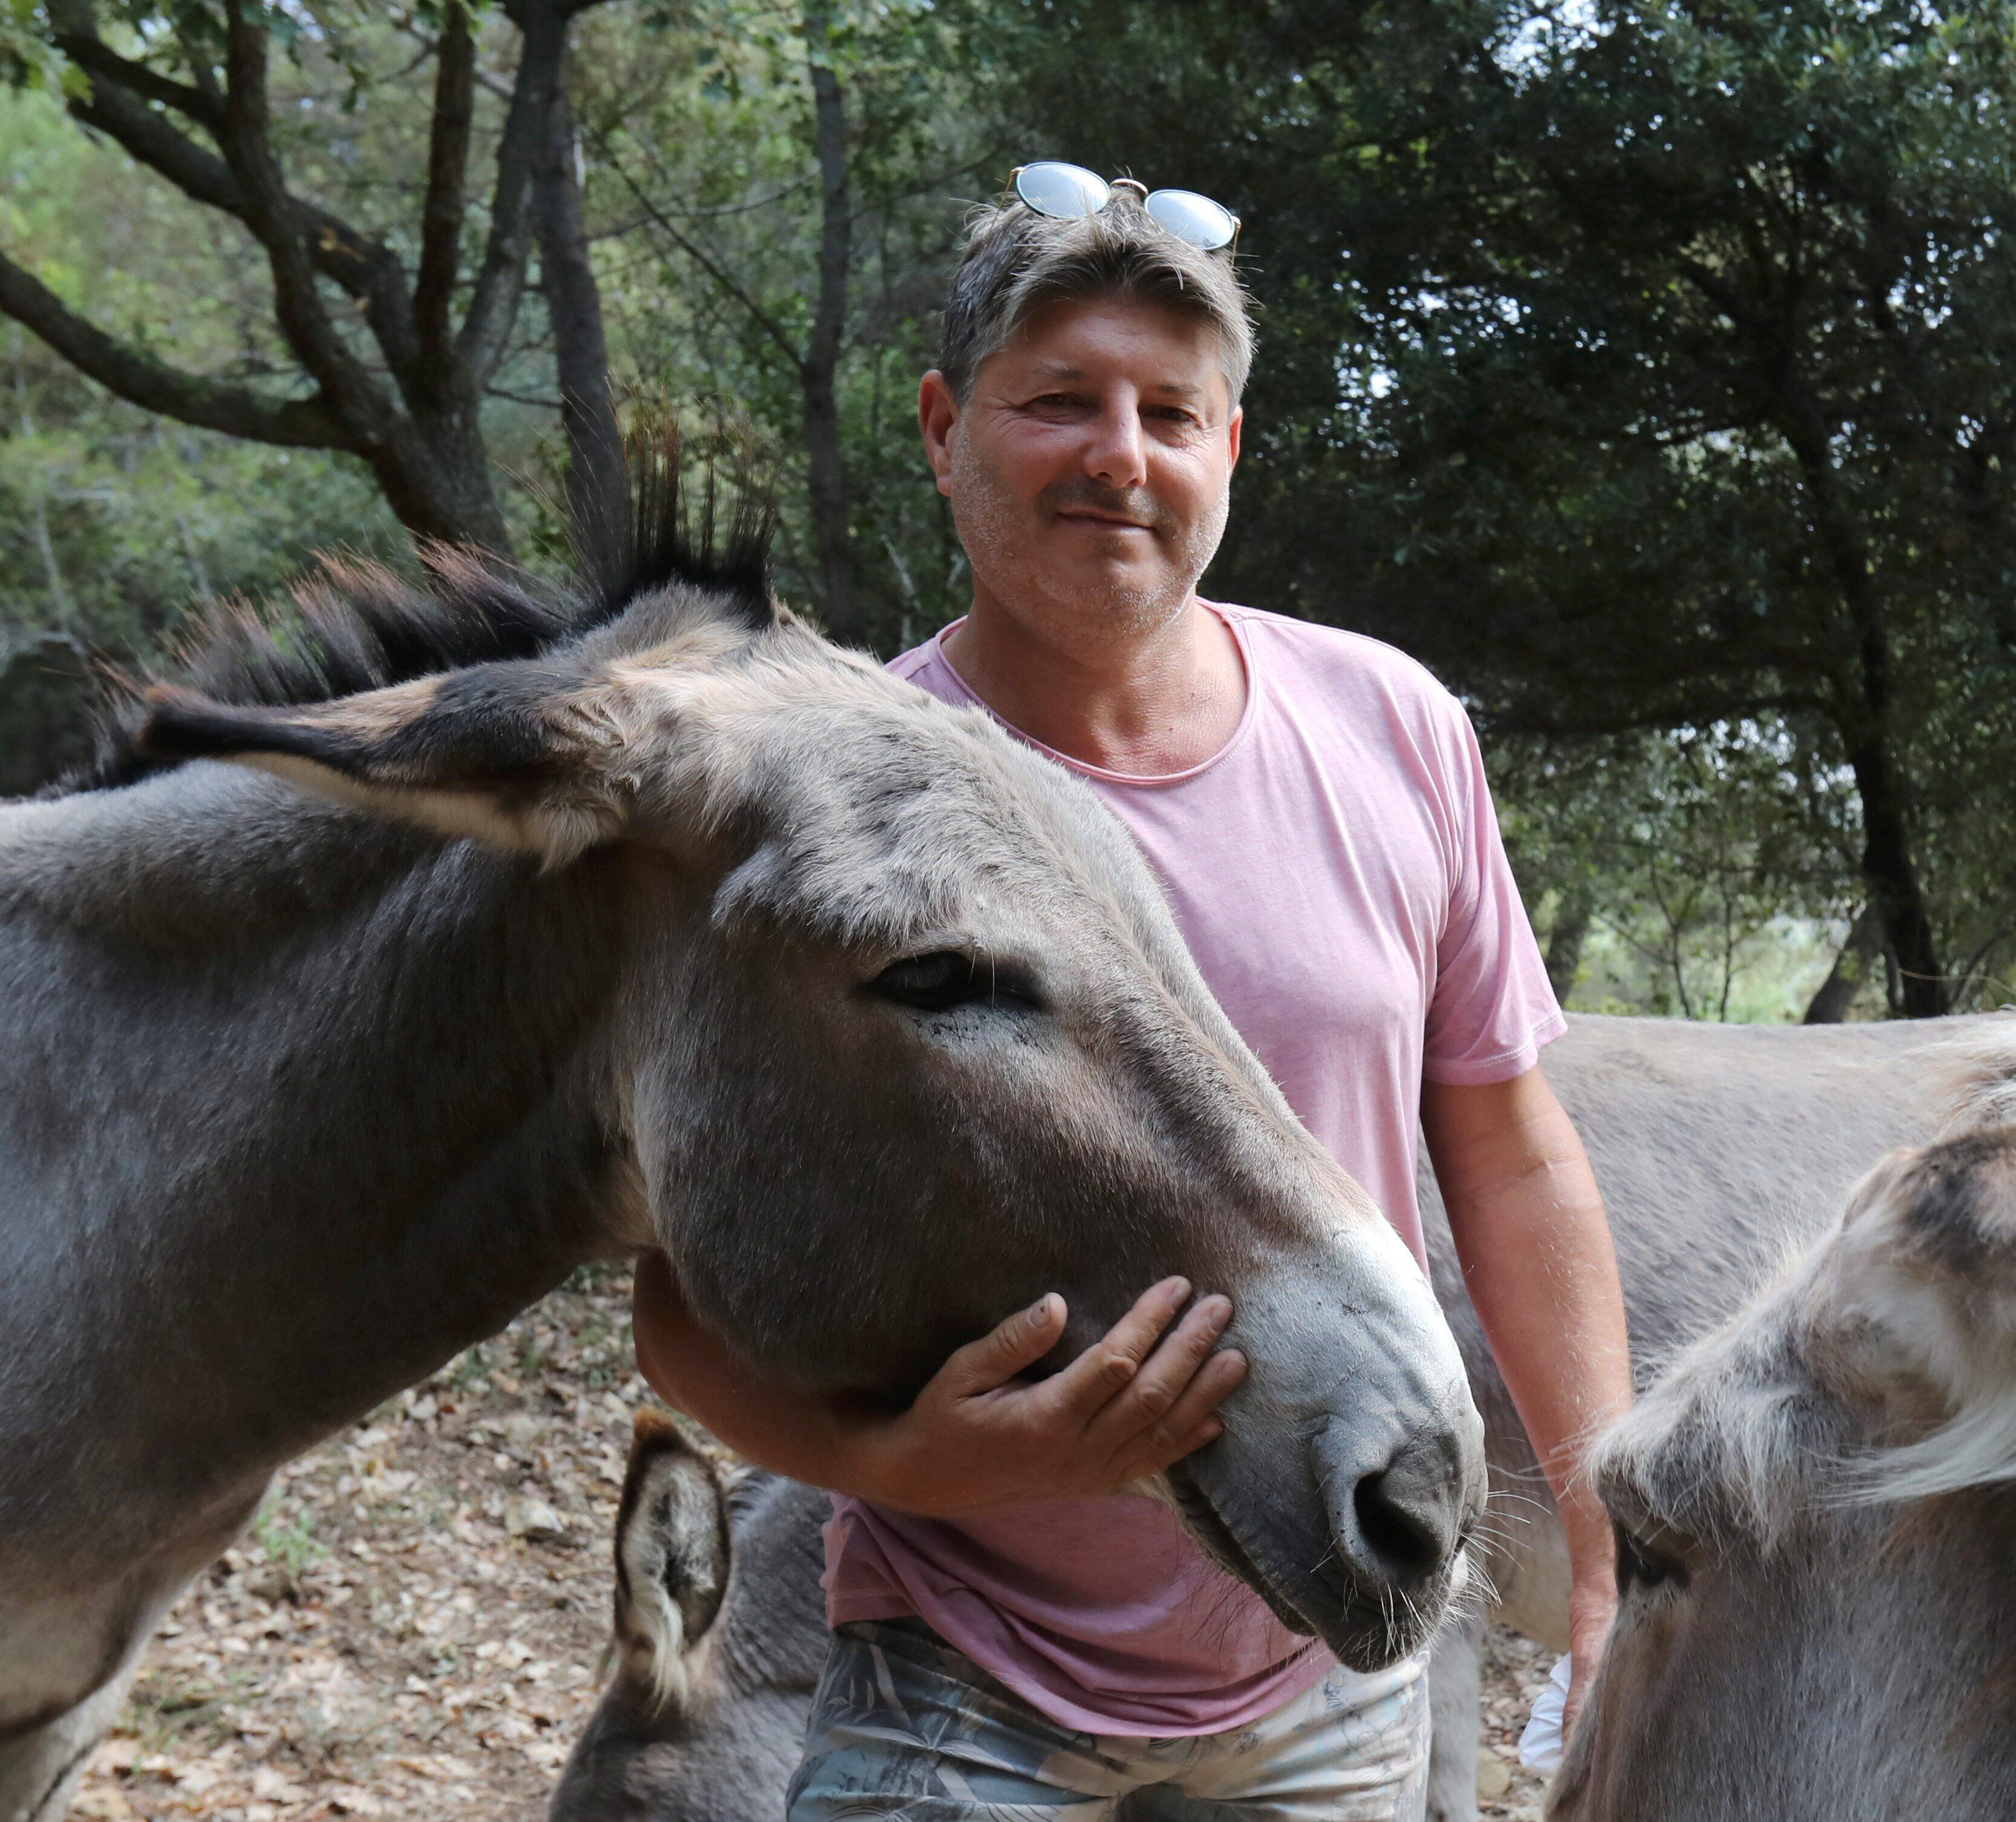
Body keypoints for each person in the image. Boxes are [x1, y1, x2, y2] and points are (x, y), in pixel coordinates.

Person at [632, 165, 1632, 1821]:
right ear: (946, 428)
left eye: (1172, 411)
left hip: (1333, 1663)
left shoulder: (1389, 727)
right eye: (1058, 401)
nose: (1120, 453)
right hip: (965, 1666)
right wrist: (896, 1464)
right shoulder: (823, 800)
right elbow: (680, 1295)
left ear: (1227, 452)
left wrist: (1606, 1541)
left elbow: (1513, 1156)